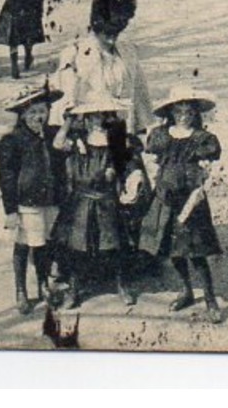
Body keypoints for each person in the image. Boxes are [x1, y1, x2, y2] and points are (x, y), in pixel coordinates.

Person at [140, 86, 225, 323]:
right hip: (166, 199)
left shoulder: (203, 139)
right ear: (171, 112)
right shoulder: (160, 135)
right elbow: (152, 161)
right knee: (172, 250)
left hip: (190, 201)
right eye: (179, 111)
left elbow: (211, 169)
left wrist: (205, 181)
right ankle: (186, 290)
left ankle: (210, 299)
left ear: (195, 113)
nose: (184, 116)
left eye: (189, 111)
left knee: (196, 253)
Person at [52, 97, 145, 309]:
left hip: (106, 200)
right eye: (92, 116)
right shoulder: (78, 138)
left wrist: (129, 178)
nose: (97, 120)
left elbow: (130, 166)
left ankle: (122, 285)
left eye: (102, 116)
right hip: (81, 199)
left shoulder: (117, 139)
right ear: (85, 118)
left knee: (114, 245)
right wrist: (69, 120)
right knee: (77, 246)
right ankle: (74, 290)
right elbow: (58, 144)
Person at [0, 84, 65, 315]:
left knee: (43, 245)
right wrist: (11, 210)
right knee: (24, 244)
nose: (39, 117)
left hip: (48, 199)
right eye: (33, 112)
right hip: (25, 203)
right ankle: (21, 290)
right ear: (23, 115)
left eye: (43, 111)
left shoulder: (52, 135)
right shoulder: (12, 141)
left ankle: (43, 284)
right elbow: (7, 177)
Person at [51, 0, 154, 136]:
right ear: (96, 26)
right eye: (107, 32)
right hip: (90, 130)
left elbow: (139, 91)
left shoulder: (128, 51)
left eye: (117, 31)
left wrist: (142, 126)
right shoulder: (75, 53)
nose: (112, 38)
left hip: (122, 129)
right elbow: (67, 97)